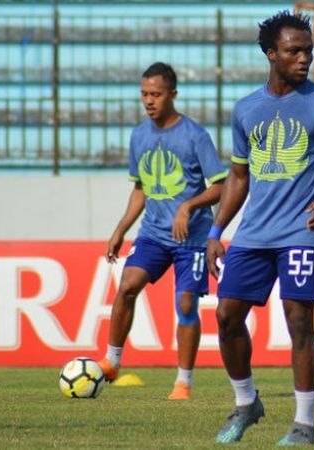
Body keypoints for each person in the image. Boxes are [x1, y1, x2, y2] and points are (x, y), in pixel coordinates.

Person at [206, 10, 314, 446]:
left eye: (308, 50)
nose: (304, 58)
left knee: (298, 317)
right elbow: (238, 177)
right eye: (294, 50)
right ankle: (246, 403)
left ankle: (304, 425)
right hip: (253, 233)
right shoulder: (246, 109)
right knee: (226, 315)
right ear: (271, 54)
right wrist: (216, 232)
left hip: (302, 230)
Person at [99, 62, 227, 401]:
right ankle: (111, 362)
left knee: (186, 303)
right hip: (153, 234)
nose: (149, 101)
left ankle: (183, 382)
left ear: (172, 94)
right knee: (127, 286)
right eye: (144, 94)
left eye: (155, 94)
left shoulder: (195, 136)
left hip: (193, 238)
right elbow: (141, 187)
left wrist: (188, 206)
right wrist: (120, 229)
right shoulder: (139, 135)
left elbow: (221, 186)